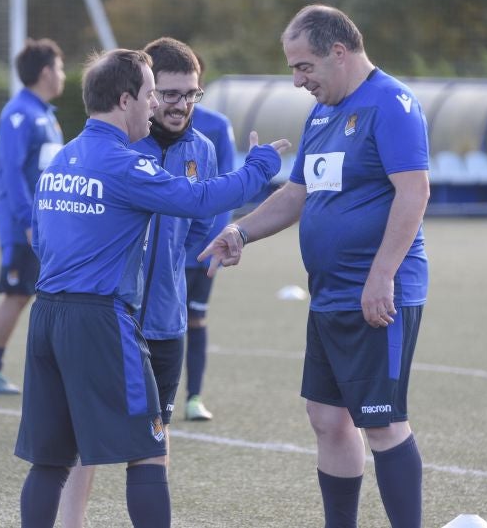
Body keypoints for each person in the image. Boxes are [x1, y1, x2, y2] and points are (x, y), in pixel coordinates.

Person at [15, 48, 289, 528]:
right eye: (150, 95)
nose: (157, 106)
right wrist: (261, 167)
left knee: (51, 459)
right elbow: (199, 198)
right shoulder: (122, 162)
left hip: (47, 316)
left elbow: (42, 235)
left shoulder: (62, 158)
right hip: (100, 319)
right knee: (147, 449)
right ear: (125, 100)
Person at [199, 5, 430, 528]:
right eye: (292, 69)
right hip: (329, 294)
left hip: (379, 296)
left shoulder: (391, 104)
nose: (298, 80)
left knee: (382, 423)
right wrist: (240, 232)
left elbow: (413, 192)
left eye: (304, 67)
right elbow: (296, 193)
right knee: (327, 418)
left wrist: (382, 275)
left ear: (339, 52)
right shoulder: (323, 114)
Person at [57, 37, 218, 527]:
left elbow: (199, 228)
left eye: (191, 94)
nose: (180, 105)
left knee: (154, 435)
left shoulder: (203, 150)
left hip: (167, 324)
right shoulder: (120, 142)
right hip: (109, 320)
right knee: (85, 436)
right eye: (169, 94)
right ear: (144, 95)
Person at [0, 38, 66, 395]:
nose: (62, 75)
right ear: (45, 72)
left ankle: (52, 370)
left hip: (50, 225)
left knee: (48, 295)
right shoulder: (20, 113)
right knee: (17, 294)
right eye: (59, 68)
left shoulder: (46, 115)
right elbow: (11, 172)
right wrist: (29, 222)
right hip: (25, 228)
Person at [181, 54, 237, 421]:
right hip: (153, 253)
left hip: (197, 253)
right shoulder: (139, 125)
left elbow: (226, 190)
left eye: (191, 90)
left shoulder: (215, 128)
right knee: (142, 322)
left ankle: (194, 397)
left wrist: (214, 240)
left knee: (195, 320)